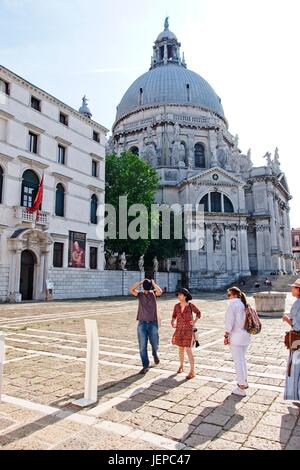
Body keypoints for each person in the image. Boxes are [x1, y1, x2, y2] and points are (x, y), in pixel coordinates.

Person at [129, 278, 162, 374]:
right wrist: (140, 282)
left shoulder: (154, 294)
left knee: (155, 343)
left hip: (153, 323)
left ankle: (155, 353)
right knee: (142, 346)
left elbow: (160, 291)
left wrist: (154, 284)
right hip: (142, 323)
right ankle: (145, 365)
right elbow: (131, 289)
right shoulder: (140, 294)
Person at [224, 286, 251, 397]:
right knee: (242, 360)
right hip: (246, 337)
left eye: (229, 295)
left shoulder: (233, 305)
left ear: (234, 295)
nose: (228, 297)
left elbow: (229, 323)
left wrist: (226, 335)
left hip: (236, 337)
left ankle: (241, 387)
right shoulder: (244, 304)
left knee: (238, 362)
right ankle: (244, 381)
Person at [171, 288, 201, 380]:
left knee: (188, 350)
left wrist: (194, 321)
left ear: (185, 296)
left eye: (180, 294)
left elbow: (198, 313)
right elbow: (174, 316)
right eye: (178, 295)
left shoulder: (191, 306)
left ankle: (192, 371)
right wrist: (172, 322)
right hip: (179, 329)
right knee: (180, 349)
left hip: (189, 330)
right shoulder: (176, 306)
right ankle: (181, 366)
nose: (178, 296)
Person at [283, 279, 300, 401]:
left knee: (296, 368)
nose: (291, 289)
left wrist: (286, 319)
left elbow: (297, 326)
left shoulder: (297, 303)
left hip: (297, 340)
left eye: (293, 287)